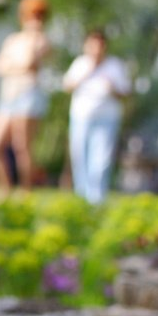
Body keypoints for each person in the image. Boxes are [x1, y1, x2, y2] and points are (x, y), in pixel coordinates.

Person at [0, 0, 52, 197]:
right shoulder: (13, 40)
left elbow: (30, 62)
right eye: (31, 14)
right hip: (9, 97)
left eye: (39, 15)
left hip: (29, 97)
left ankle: (25, 192)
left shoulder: (41, 41)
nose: (34, 19)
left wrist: (32, 39)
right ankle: (4, 188)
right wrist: (19, 67)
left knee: (22, 147)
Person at [62, 29, 131, 205]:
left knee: (101, 160)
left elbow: (125, 92)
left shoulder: (114, 65)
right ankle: (81, 197)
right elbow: (67, 86)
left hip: (107, 119)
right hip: (81, 118)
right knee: (80, 157)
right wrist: (88, 72)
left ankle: (97, 199)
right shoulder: (80, 64)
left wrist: (112, 88)